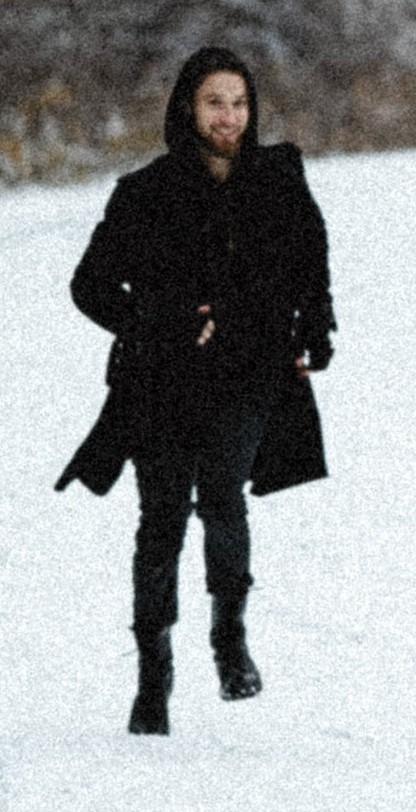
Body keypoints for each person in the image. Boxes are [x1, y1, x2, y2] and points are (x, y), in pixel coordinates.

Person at [57, 43, 335, 736]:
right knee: (159, 521)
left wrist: (315, 331)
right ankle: (154, 675)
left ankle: (229, 639)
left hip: (248, 372)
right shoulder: (145, 194)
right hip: (160, 380)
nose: (229, 117)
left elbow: (311, 262)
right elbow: (88, 286)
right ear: (188, 105)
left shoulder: (277, 181)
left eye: (240, 103)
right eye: (216, 102)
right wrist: (154, 322)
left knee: (223, 500)